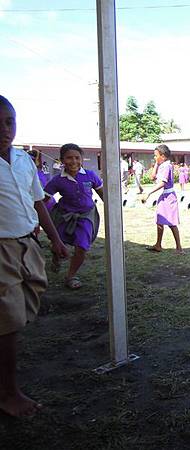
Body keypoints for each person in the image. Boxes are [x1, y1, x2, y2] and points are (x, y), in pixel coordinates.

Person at [0, 95, 69, 417]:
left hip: (28, 243)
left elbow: (38, 201)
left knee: (25, 306)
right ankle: (8, 393)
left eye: (9, 122)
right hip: (1, 248)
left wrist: (55, 239)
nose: (4, 129)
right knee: (8, 320)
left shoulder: (23, 160)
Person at [44, 143, 104, 289]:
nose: (74, 161)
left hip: (86, 216)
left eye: (77, 157)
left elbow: (104, 196)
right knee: (58, 243)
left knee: (82, 246)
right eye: (69, 158)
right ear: (61, 160)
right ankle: (56, 257)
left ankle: (70, 276)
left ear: (82, 159)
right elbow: (43, 199)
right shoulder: (58, 180)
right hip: (64, 215)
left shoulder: (90, 176)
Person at [141, 145, 183, 254]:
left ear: (163, 156)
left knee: (171, 222)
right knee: (159, 220)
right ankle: (158, 245)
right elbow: (152, 177)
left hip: (168, 197)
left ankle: (179, 248)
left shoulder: (166, 166)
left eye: (156, 156)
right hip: (163, 196)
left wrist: (148, 193)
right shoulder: (162, 165)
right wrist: (156, 164)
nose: (155, 157)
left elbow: (163, 182)